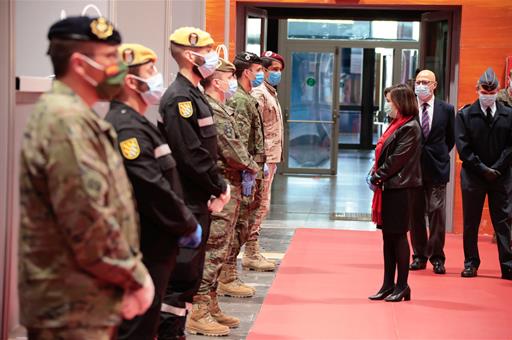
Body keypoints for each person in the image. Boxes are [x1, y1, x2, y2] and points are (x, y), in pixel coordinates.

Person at [18, 16, 154, 340]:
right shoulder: (65, 122)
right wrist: (135, 277)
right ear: (80, 64)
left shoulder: (78, 117)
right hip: (70, 305)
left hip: (85, 298)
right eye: (109, 58)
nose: (118, 67)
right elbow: (88, 219)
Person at [105, 43, 202, 340]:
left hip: (157, 240)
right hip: (145, 242)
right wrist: (185, 222)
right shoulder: (126, 128)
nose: (157, 76)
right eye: (150, 71)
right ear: (132, 82)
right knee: (138, 327)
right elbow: (151, 187)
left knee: (146, 322)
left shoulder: (137, 122)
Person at [157, 27, 230, 339]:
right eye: (208, 49)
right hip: (185, 198)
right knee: (180, 276)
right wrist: (219, 185)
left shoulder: (194, 94)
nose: (213, 55)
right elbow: (191, 154)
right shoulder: (179, 98)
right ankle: (169, 333)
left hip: (196, 198)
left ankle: (177, 332)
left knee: (189, 276)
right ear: (190, 55)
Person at [186, 57, 261, 336]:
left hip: (229, 184)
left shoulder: (219, 106)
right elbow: (231, 148)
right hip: (222, 185)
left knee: (223, 246)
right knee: (215, 247)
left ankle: (212, 303)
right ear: (216, 82)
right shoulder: (213, 109)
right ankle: (199, 310)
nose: (232, 83)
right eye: (228, 78)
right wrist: (253, 166)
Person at [455, 67, 512, 280]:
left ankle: (507, 264)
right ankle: (471, 263)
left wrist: (497, 168)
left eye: (492, 92)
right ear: (477, 89)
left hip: (502, 175)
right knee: (471, 221)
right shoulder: (465, 114)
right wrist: (483, 169)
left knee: (503, 221)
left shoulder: (509, 113)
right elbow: (464, 148)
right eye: (484, 91)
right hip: (473, 177)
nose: (488, 95)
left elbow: (510, 147)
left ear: (498, 90)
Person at [368, 84, 422, 302]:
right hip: (389, 187)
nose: (387, 104)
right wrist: (377, 174)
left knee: (398, 237)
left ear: (401, 102)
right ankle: (387, 284)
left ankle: (402, 285)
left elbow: (397, 160)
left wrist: (377, 175)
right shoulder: (396, 124)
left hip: (401, 188)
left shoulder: (411, 127)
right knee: (388, 237)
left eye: (390, 101)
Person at [219, 51, 266, 297]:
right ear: (246, 72)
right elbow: (239, 138)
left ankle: (229, 273)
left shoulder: (247, 96)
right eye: (258, 70)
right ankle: (227, 275)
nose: (261, 75)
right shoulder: (239, 99)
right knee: (238, 225)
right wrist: (249, 169)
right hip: (243, 171)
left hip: (251, 168)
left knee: (244, 224)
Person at [409, 70, 455, 275]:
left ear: (434, 85)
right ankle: (419, 256)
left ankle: (437, 256)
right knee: (416, 214)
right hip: (414, 169)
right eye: (418, 82)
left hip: (437, 168)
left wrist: (440, 154)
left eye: (425, 82)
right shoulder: (410, 107)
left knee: (437, 213)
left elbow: (451, 138)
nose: (421, 85)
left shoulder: (447, 109)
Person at [246, 51, 285, 272]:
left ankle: (253, 250)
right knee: (259, 205)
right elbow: (255, 128)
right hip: (263, 157)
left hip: (270, 156)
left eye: (279, 70)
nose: (276, 73)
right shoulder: (260, 94)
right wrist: (257, 158)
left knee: (262, 204)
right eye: (273, 70)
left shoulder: (270, 93)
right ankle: (251, 252)